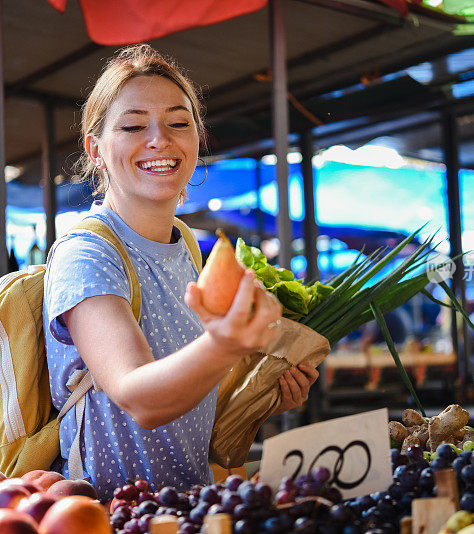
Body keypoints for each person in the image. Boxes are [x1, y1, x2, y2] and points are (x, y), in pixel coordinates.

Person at [43, 45, 318, 499]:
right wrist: (227, 343)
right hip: (112, 513)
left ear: (197, 138)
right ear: (95, 149)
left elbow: (191, 396)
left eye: (178, 123)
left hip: (191, 504)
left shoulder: (188, 245)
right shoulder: (87, 253)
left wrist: (264, 395)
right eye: (133, 125)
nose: (159, 140)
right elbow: (140, 399)